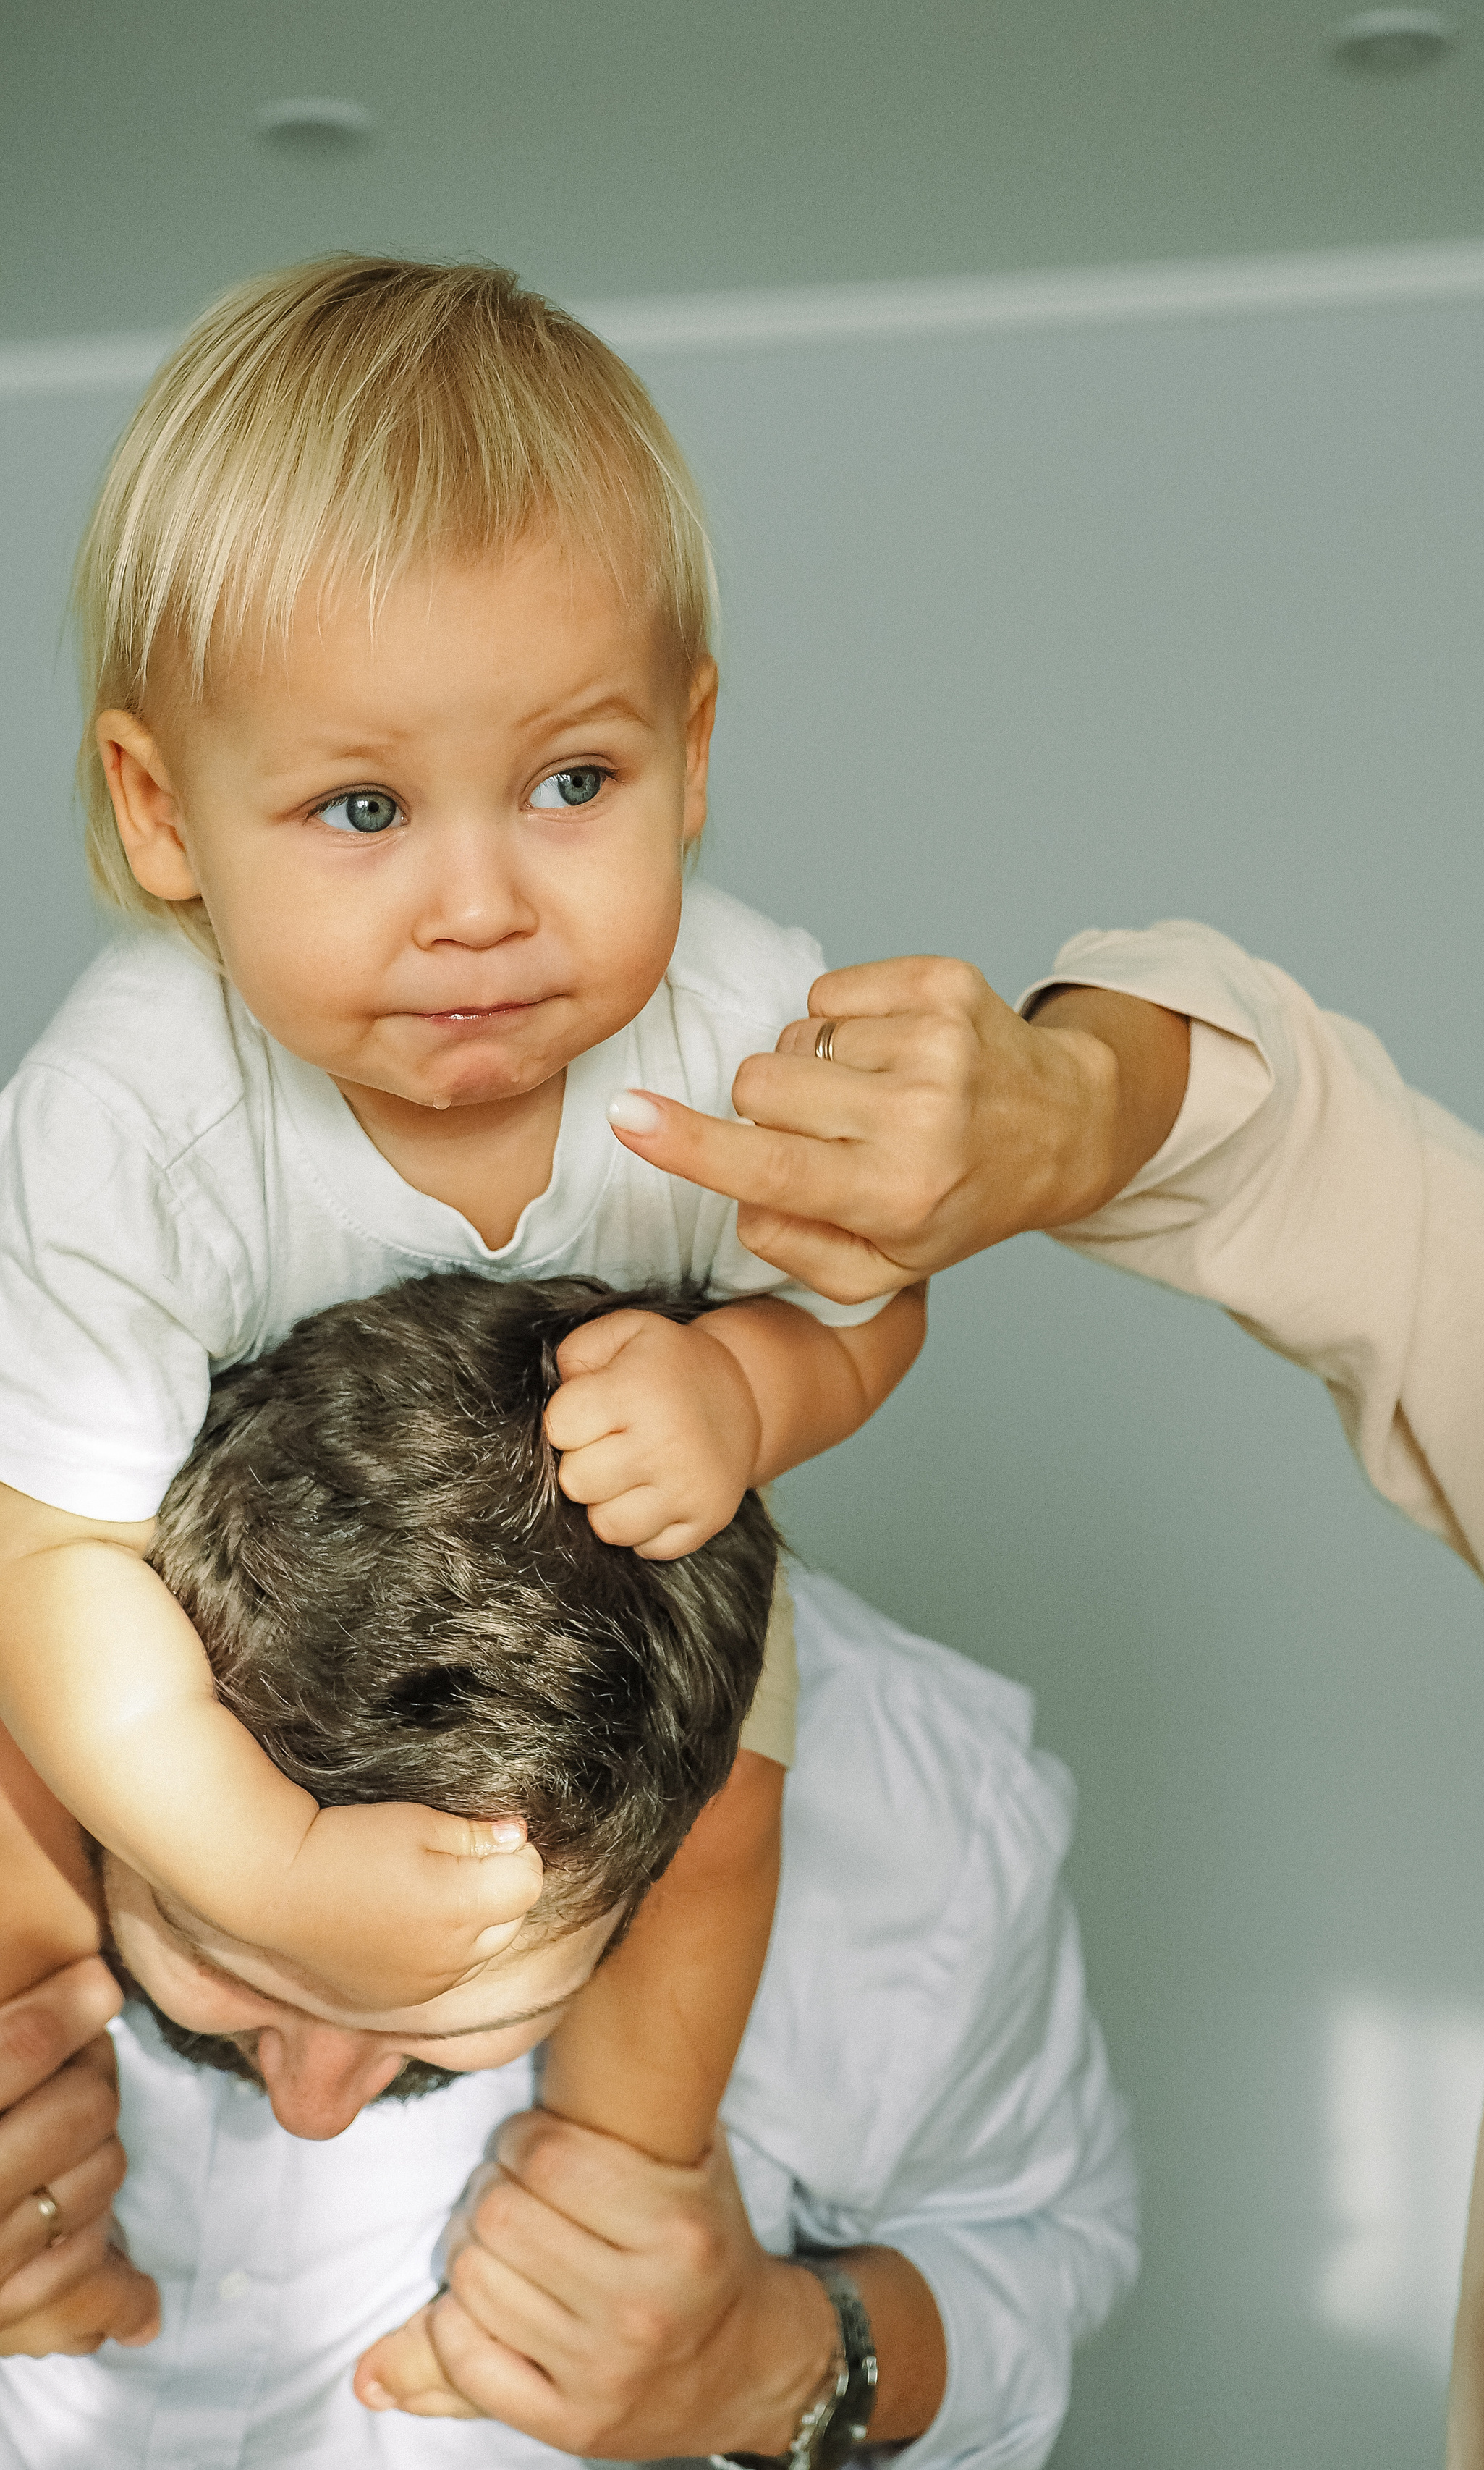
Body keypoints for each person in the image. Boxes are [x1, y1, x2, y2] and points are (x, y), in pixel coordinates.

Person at [0, 257, 928, 2405]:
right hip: (168, 1557)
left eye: (572, 780)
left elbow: (873, 1299)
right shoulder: (130, 1106)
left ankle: (603, 2201)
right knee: (32, 1823)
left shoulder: (741, 1020)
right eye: (359, 809)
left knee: (721, 1815)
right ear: (163, 818)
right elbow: (49, 1569)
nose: (483, 901)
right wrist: (266, 1868)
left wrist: (750, 1383)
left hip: (609, 1570)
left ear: (693, 748)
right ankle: (51, 2219)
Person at [602, 920, 1484, 2468]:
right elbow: (1312, 1168)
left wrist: (783, 2359)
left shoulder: (931, 1823)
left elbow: (1025, 2266)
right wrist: (1060, 1104)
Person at [0, 1272, 1137, 2467]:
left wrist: (781, 2364)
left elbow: (1053, 2246)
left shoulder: (922, 1828)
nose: (314, 2102)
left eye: (457, 2018)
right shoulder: (61, 1623)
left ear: (672, 1855)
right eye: (213, 1951)